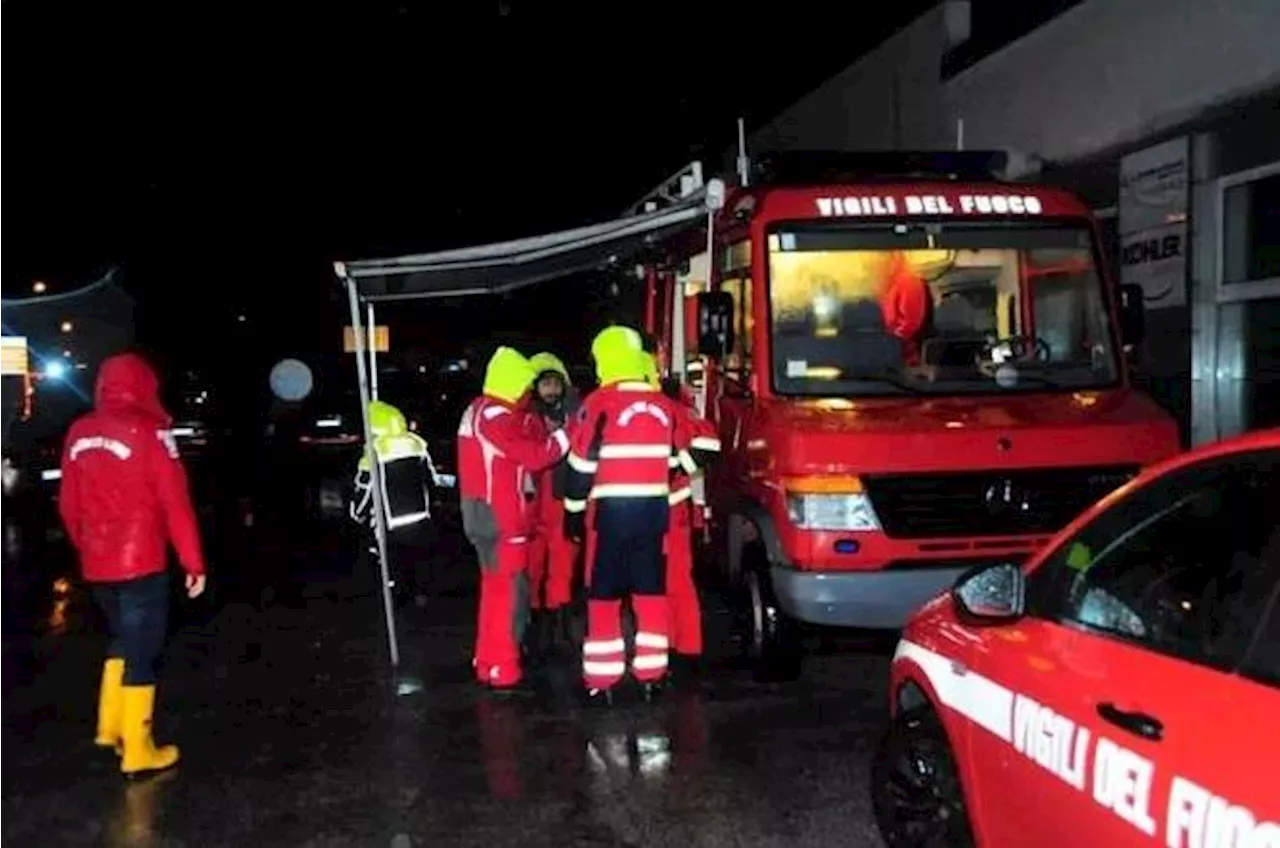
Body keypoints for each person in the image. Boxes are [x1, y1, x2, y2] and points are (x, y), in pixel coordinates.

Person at [58, 353, 207, 777]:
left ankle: (110, 728)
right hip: (141, 560)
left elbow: (69, 503)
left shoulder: (78, 432)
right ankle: (139, 749)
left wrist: (87, 545)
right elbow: (174, 502)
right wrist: (192, 560)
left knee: (122, 639)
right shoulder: (152, 430)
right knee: (143, 650)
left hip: (99, 562)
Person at [564, 326, 693, 704]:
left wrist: (573, 512)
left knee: (603, 596)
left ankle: (602, 680)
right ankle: (651, 675)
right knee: (649, 594)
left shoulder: (599, 402)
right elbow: (692, 449)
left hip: (612, 518)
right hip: (654, 515)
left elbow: (580, 463)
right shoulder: (664, 404)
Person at [457, 347, 569, 693]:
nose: (525, 393)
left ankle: (488, 662)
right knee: (509, 596)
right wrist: (567, 435)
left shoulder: (477, 410)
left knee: (493, 593)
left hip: (481, 515)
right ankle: (504, 670)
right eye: (522, 385)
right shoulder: (497, 416)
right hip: (503, 517)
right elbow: (536, 457)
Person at [640, 351, 720, 678]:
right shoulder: (666, 407)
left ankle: (680, 651)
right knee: (663, 585)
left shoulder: (668, 408)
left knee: (667, 584)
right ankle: (674, 649)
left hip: (666, 510)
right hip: (657, 510)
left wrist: (674, 469)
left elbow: (709, 444)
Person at [351, 400, 438, 606]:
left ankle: (395, 598)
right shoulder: (417, 443)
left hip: (391, 521)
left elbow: (365, 488)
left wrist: (357, 514)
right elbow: (431, 478)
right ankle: (417, 593)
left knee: (393, 563)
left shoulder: (374, 452)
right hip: (419, 516)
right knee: (414, 561)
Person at [524, 351, 581, 653]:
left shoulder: (575, 414)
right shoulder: (525, 416)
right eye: (543, 384)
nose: (550, 390)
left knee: (562, 563)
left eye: (554, 383)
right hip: (532, 503)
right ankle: (533, 621)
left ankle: (559, 621)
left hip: (560, 500)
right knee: (531, 564)